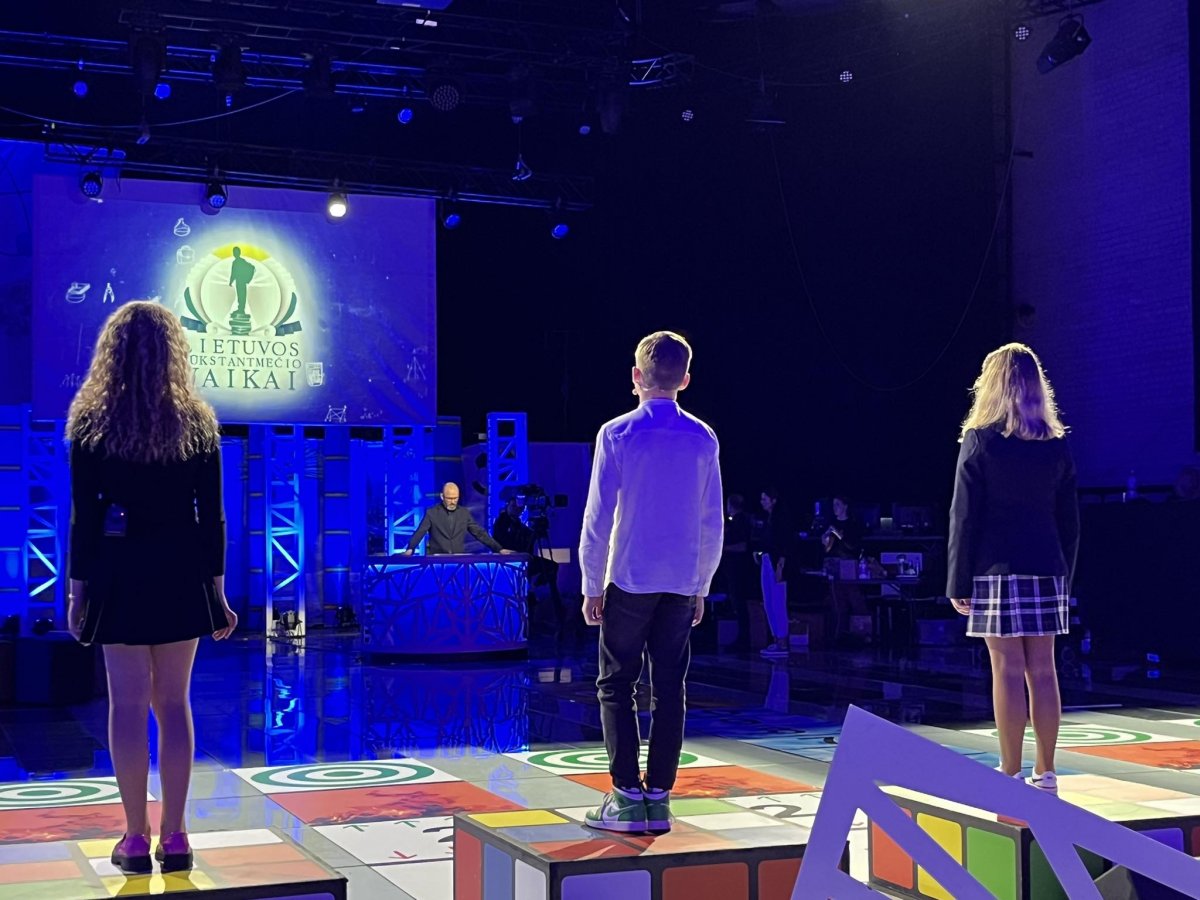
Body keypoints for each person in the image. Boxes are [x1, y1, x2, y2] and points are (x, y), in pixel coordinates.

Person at [65, 301, 238, 875]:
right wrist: (217, 591)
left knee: (128, 704)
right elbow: (211, 517)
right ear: (173, 352)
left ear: (112, 353)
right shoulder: (197, 421)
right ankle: (177, 835)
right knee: (173, 702)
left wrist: (77, 593)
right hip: (181, 571)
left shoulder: (92, 423)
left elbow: (84, 518)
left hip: (118, 571)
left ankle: (135, 838)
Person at [579, 331, 722, 834]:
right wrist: (702, 585)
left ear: (636, 376)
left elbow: (599, 516)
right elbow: (711, 520)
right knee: (669, 687)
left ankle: (624, 796)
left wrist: (590, 583)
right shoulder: (703, 437)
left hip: (630, 578)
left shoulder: (617, 433)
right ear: (685, 379)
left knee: (616, 684)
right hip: (681, 582)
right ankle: (658, 797)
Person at [948, 343, 1079, 794]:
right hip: (1047, 566)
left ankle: (1009, 772)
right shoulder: (1055, 444)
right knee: (1043, 669)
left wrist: (957, 580)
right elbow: (1070, 520)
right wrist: (1065, 576)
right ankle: (1047, 771)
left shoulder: (980, 439)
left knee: (1005, 669)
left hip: (996, 569)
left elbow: (964, 516)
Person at [492, 493, 563, 634]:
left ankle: (536, 590)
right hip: (509, 563)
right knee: (547, 568)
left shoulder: (519, 524)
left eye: (519, 507)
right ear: (507, 505)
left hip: (523, 559)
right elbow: (503, 543)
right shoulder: (502, 522)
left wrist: (536, 532)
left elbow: (527, 544)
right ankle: (533, 593)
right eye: (513, 506)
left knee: (552, 566)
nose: (517, 509)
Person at [403, 482, 513, 555]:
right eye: (449, 498)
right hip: (437, 561)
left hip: (458, 561)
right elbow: (420, 532)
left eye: (455, 498)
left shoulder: (464, 513)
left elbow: (479, 533)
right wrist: (410, 548)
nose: (453, 502)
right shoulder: (431, 513)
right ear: (442, 497)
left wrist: (498, 549)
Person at [822, 494, 867, 644]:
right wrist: (825, 539)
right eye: (833, 505)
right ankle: (838, 635)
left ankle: (861, 633)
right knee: (837, 601)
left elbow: (852, 546)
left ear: (845, 506)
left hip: (849, 565)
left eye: (838, 505)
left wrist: (838, 534)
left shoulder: (853, 524)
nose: (835, 508)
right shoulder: (832, 524)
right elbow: (828, 548)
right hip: (833, 565)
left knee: (854, 599)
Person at [757, 487, 792, 658]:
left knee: (778, 600)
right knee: (769, 600)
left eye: (765, 499)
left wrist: (780, 564)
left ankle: (782, 640)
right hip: (767, 560)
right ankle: (776, 638)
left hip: (775, 562)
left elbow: (785, 543)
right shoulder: (768, 519)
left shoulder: (780, 520)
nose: (762, 502)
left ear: (773, 501)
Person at [717, 493, 754, 652]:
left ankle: (744, 639)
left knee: (740, 604)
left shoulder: (740, 522)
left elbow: (743, 545)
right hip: (734, 570)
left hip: (738, 571)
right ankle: (742, 638)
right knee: (737, 604)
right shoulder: (737, 522)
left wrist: (724, 548)